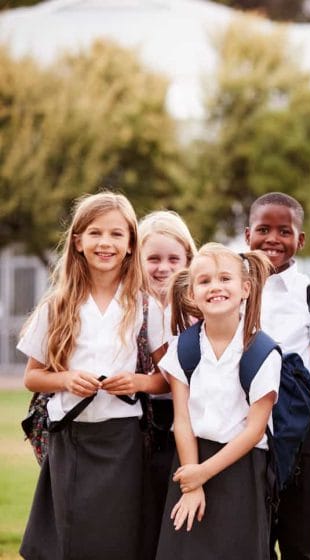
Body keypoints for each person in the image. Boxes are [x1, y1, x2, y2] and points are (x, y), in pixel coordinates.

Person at [17, 192, 168, 560]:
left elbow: (166, 379)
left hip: (125, 440)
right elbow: (33, 377)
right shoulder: (58, 305)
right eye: (95, 233)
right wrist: (65, 379)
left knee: (122, 541)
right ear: (78, 241)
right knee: (70, 542)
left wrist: (139, 382)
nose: (106, 243)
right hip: (71, 437)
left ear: (131, 244)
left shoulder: (146, 306)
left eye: (117, 234)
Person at [154, 244, 276, 558]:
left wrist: (203, 474)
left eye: (225, 279)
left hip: (241, 469)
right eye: (205, 281)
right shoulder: (183, 348)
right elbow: (181, 420)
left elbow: (254, 431)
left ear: (245, 288)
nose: (216, 287)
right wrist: (192, 481)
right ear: (192, 294)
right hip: (190, 460)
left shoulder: (262, 352)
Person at [246, 192, 310, 559]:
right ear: (246, 234)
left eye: (284, 231)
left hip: (299, 429)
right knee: (253, 537)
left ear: (300, 240)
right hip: (243, 427)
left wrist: (290, 426)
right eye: (263, 229)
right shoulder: (234, 289)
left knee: (300, 539)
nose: (272, 239)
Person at [138, 209, 198, 559]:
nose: (163, 267)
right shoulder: (132, 310)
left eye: (173, 259)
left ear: (188, 260)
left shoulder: (199, 310)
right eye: (153, 259)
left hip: (187, 427)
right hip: (141, 427)